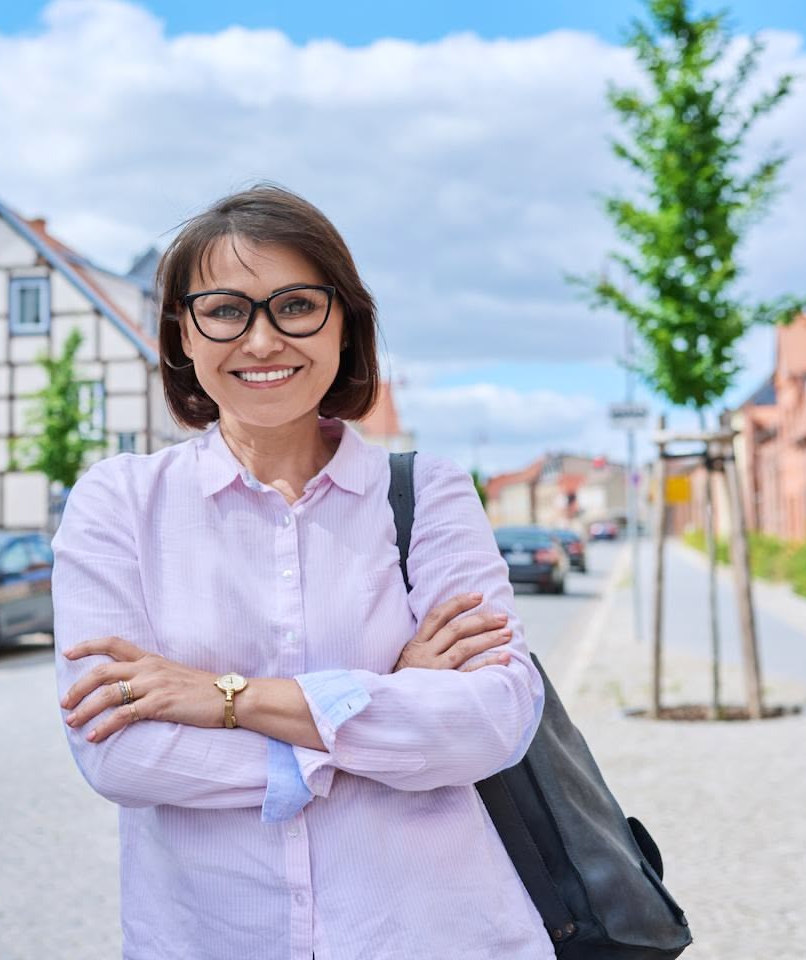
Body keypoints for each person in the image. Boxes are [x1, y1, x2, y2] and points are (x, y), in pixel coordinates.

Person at [53, 185, 551, 959]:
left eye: (296, 306)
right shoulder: (118, 504)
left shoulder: (429, 494)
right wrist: (384, 700)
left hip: (430, 935)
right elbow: (120, 752)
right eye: (225, 309)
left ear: (344, 322)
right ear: (181, 333)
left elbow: (493, 721)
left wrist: (226, 698)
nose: (260, 340)